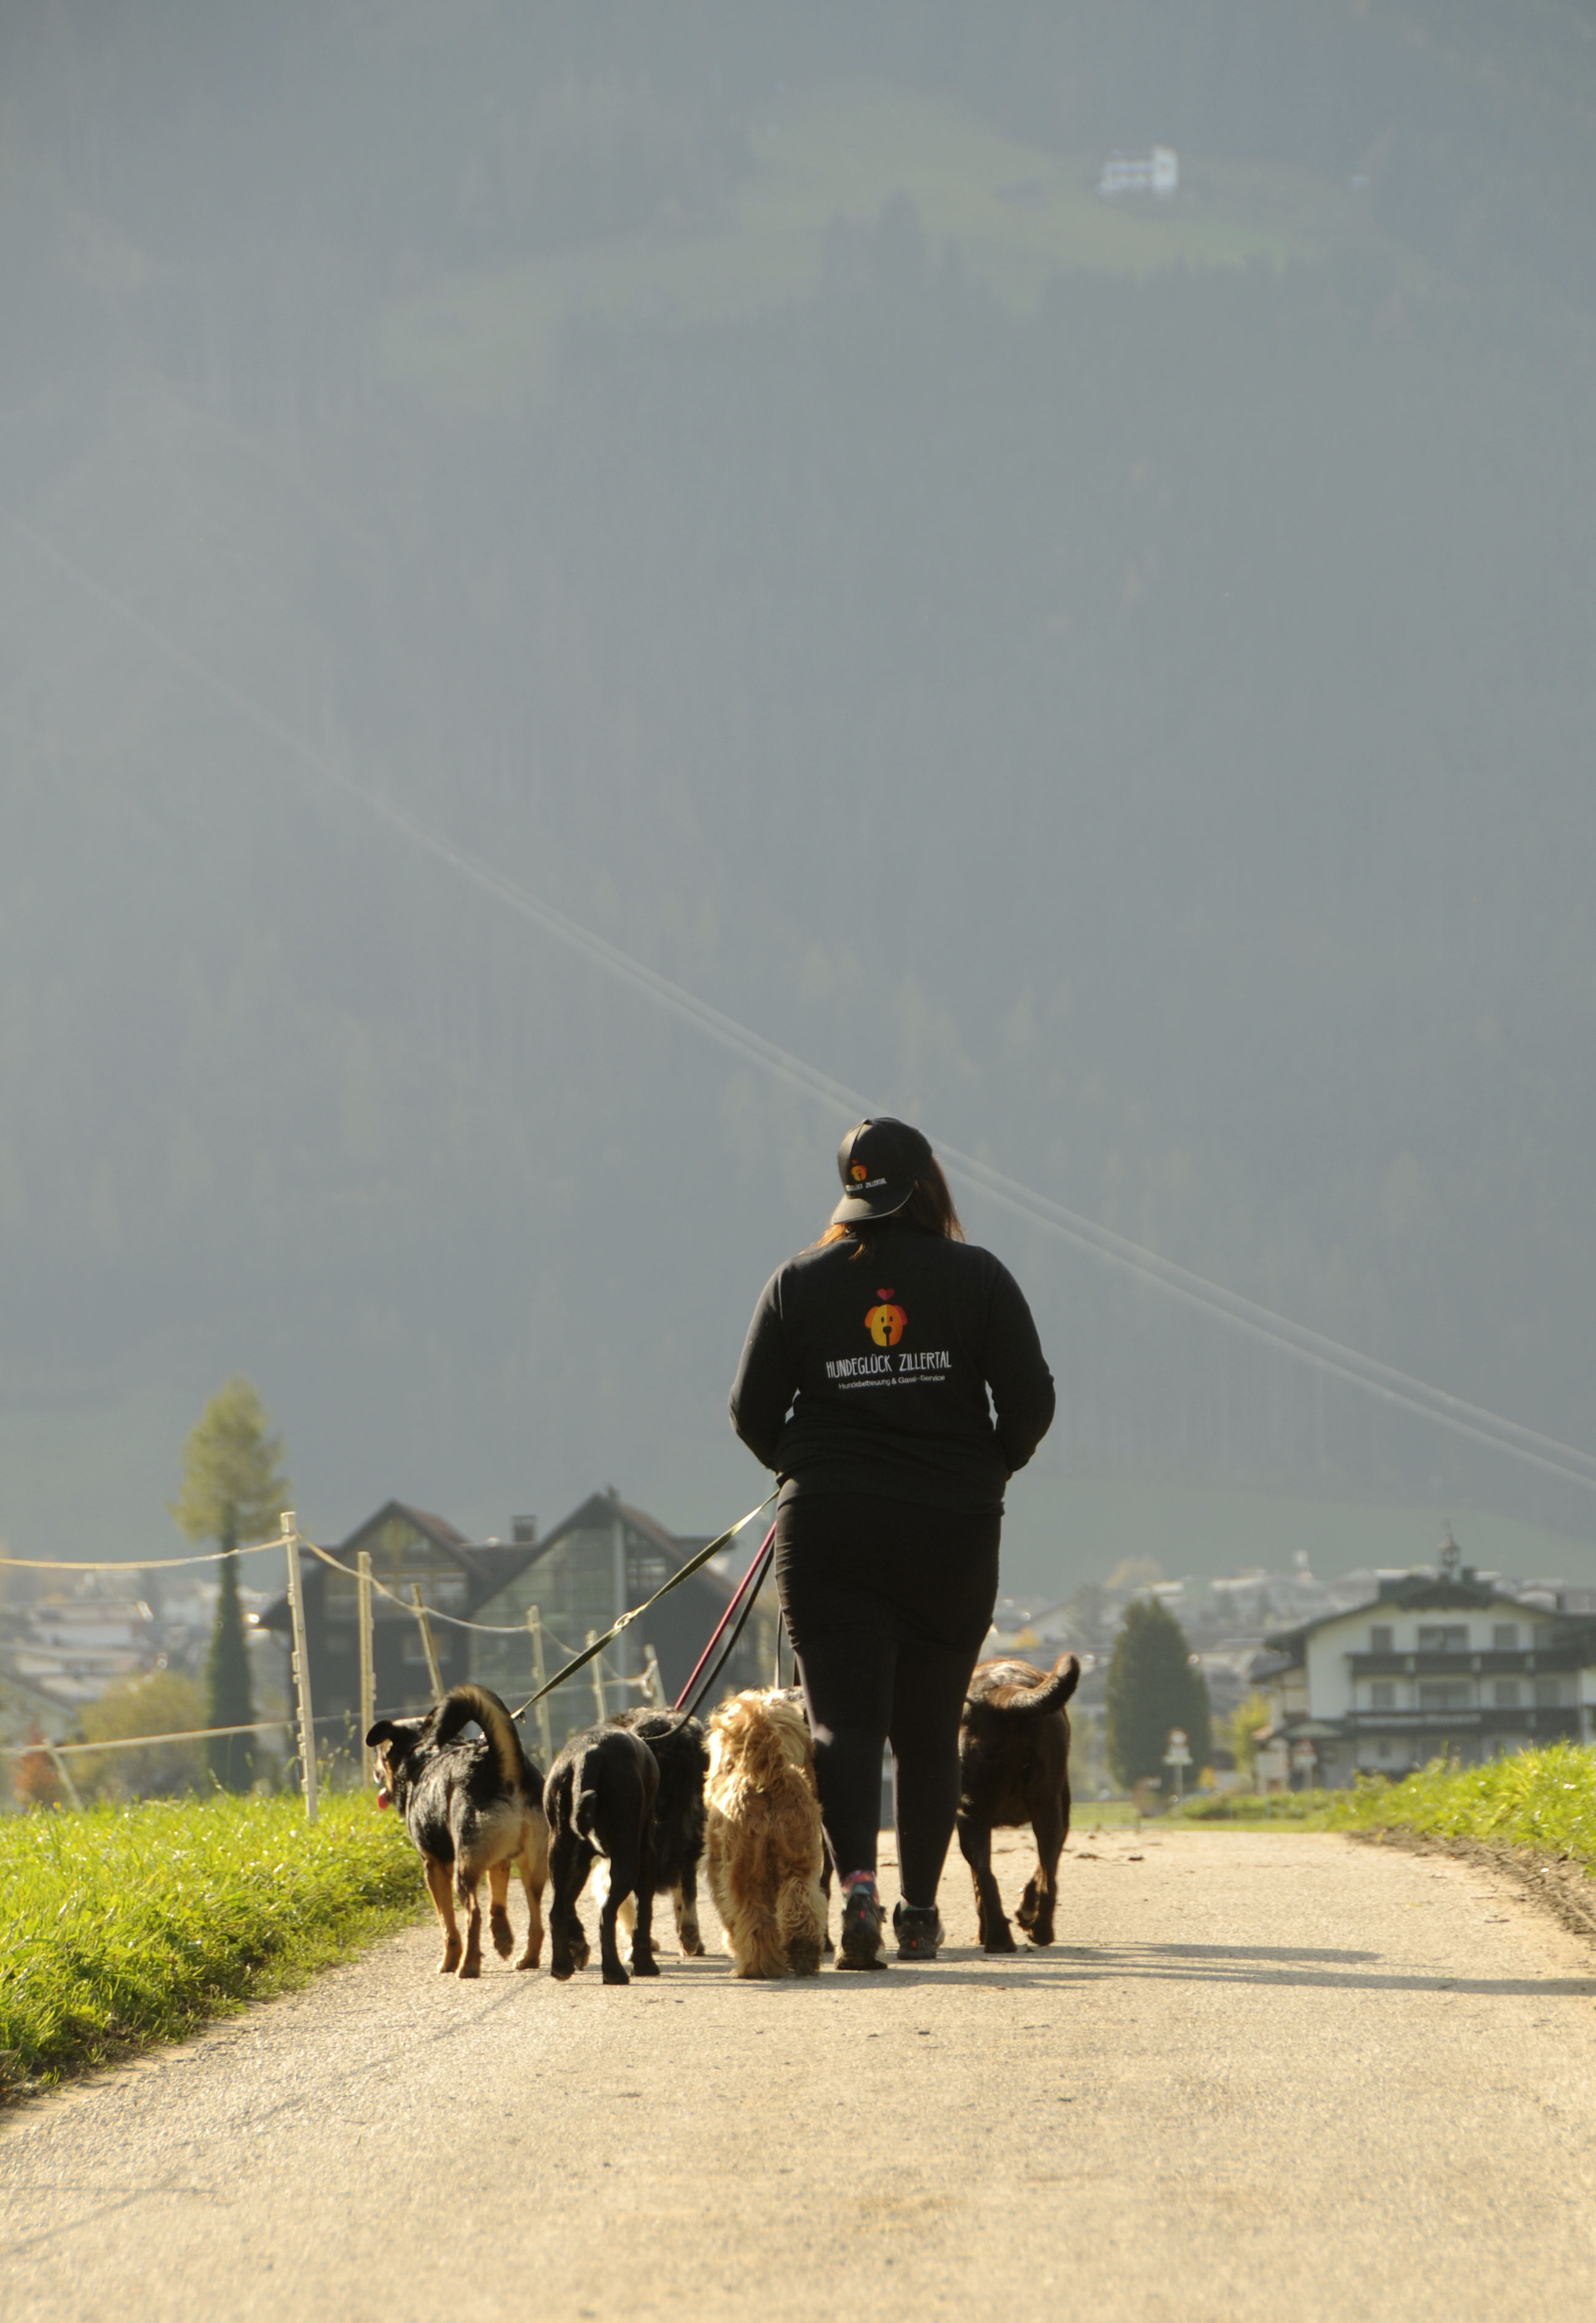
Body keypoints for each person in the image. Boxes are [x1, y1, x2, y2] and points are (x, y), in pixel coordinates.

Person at [728, 1117, 1055, 1969]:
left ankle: (856, 1894)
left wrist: (806, 1465)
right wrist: (985, 1473)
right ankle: (917, 1913)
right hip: (950, 1529)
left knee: (841, 1726)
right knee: (922, 1731)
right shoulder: (977, 1277)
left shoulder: (797, 1283)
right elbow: (1029, 1401)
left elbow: (750, 1414)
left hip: (829, 1523)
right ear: (929, 1187)